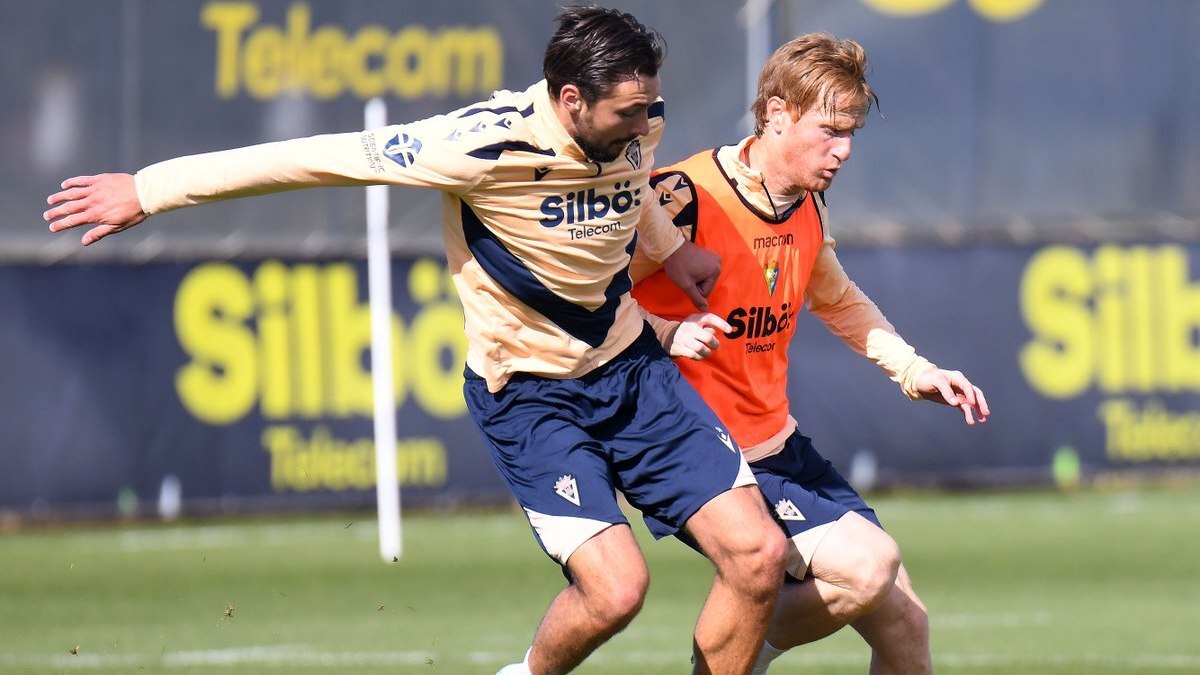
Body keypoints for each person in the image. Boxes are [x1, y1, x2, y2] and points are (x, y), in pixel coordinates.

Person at [43, 6, 789, 674]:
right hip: (530, 395)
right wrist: (150, 189)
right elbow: (311, 158)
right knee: (617, 591)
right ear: (571, 100)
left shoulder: (637, 119)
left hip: (631, 371)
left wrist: (670, 248)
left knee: (758, 557)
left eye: (649, 106)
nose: (645, 122)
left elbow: (633, 178)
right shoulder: (480, 144)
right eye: (628, 111)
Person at [630, 33, 990, 674]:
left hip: (776, 444)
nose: (844, 150)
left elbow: (839, 300)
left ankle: (738, 644)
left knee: (905, 622)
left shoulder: (805, 203)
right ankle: (732, 652)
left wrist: (916, 370)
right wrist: (665, 331)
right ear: (776, 114)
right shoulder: (682, 196)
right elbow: (594, 300)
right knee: (869, 568)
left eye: (851, 133)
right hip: (701, 447)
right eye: (831, 131)